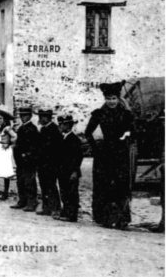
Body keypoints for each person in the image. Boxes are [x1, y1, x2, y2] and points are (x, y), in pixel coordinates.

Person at [84, 81, 134, 230]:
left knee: (120, 185)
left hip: (121, 153)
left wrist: (126, 136)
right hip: (104, 154)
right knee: (103, 185)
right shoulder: (99, 114)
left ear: (118, 99)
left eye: (113, 99)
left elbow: (133, 131)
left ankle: (122, 218)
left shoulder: (126, 114)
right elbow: (88, 132)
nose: (111, 102)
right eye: (108, 99)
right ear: (104, 99)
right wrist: (96, 148)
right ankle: (104, 217)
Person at [54, 114, 83, 223]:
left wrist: (75, 171)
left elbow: (78, 157)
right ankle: (65, 211)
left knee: (72, 194)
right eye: (61, 124)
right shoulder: (61, 138)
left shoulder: (75, 140)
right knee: (64, 192)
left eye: (65, 124)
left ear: (70, 125)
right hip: (62, 171)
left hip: (71, 172)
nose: (62, 126)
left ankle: (72, 215)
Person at [10, 106, 39, 212]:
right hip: (20, 161)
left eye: (25, 115)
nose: (23, 118)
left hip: (29, 160)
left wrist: (27, 155)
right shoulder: (21, 128)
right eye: (21, 115)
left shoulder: (33, 129)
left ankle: (32, 202)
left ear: (30, 116)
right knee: (20, 181)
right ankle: (22, 200)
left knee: (29, 181)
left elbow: (34, 146)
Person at [36, 107, 62, 217]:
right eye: (40, 117)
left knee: (51, 185)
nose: (41, 120)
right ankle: (46, 207)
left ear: (47, 118)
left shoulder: (55, 130)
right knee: (44, 185)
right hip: (42, 163)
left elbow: (56, 148)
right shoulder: (43, 129)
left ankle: (56, 208)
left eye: (42, 117)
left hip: (51, 163)